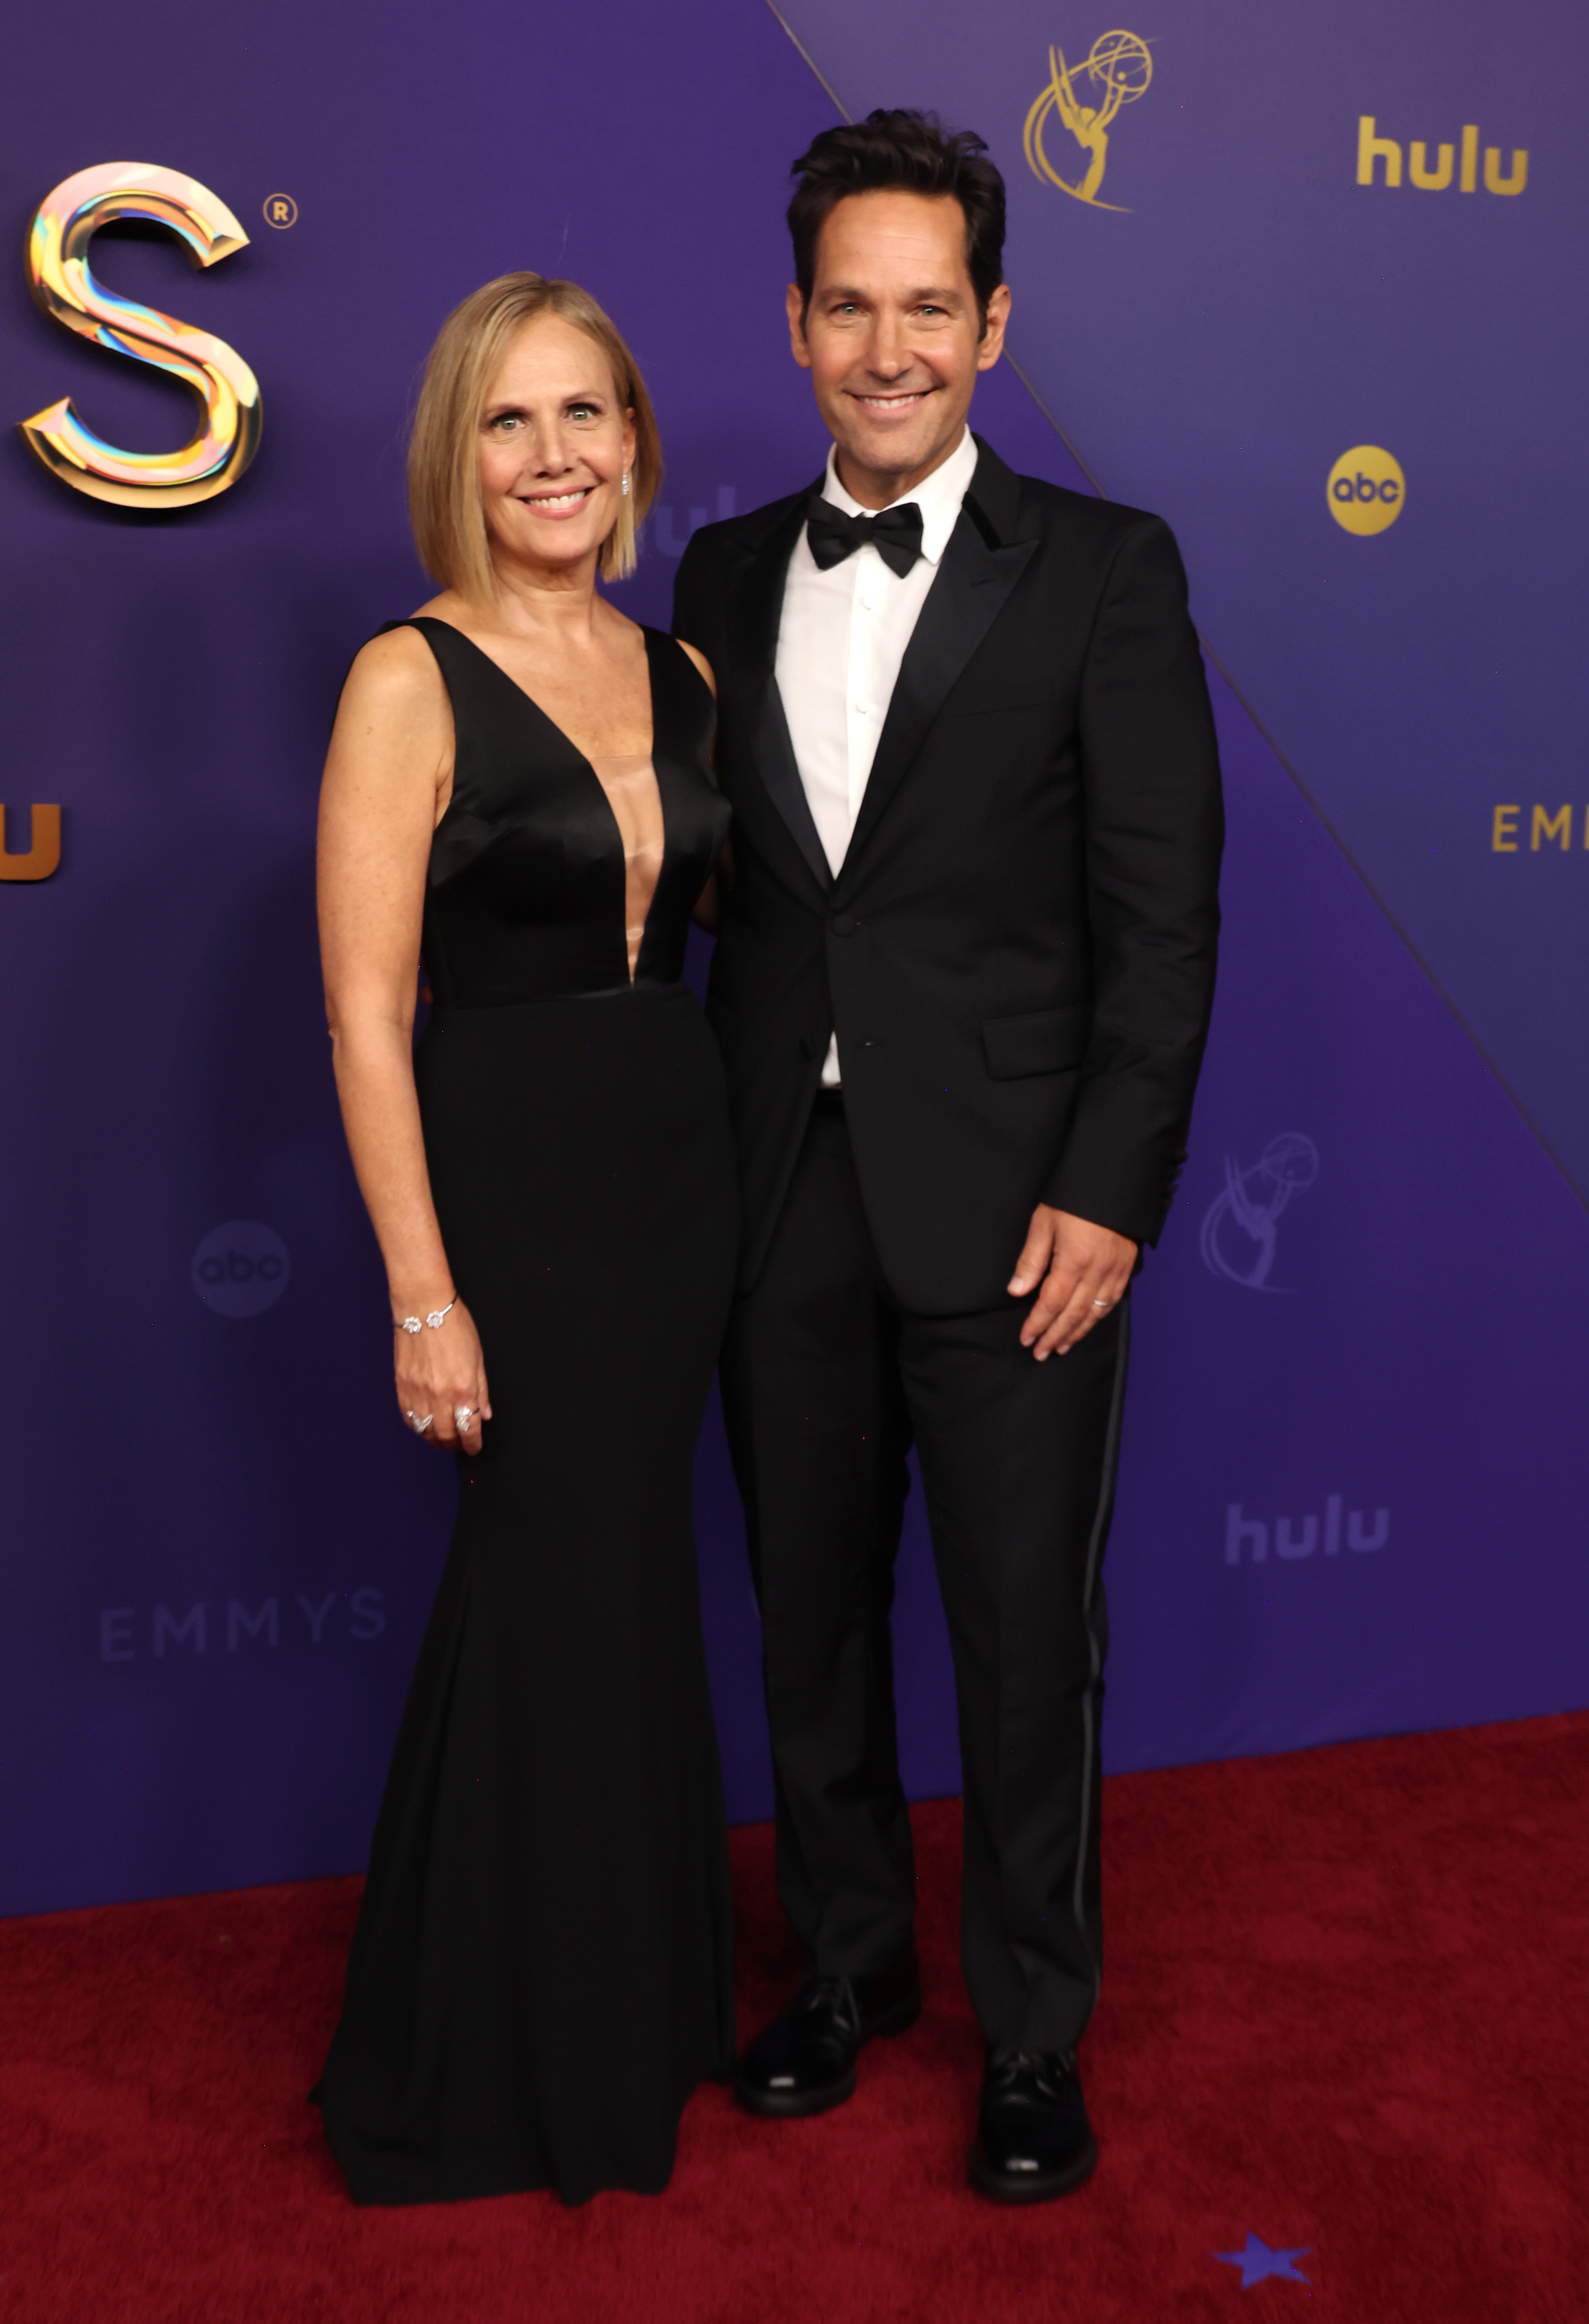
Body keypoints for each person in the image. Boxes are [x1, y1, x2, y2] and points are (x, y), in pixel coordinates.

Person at [673, 111, 1223, 2204]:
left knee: (1018, 1630)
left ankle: (1030, 2030)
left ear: (993, 322)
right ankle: (846, 1968)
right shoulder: (724, 572)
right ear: (797, 320)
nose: (887, 345)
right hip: (773, 1184)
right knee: (807, 1611)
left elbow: (1162, 917)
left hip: (1020, 1208)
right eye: (849, 305)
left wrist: (1112, 1185)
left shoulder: (1109, 568)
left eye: (930, 306)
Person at [313, 272, 737, 2206]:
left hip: (678, 1177)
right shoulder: (406, 676)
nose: (553, 457)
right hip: (515, 1190)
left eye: (585, 416)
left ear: (633, 440)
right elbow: (365, 1010)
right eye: (510, 422)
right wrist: (426, 1291)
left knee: (631, 1582)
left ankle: (634, 2011)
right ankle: (490, 2053)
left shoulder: (685, 672)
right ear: (458, 457)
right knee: (544, 1590)